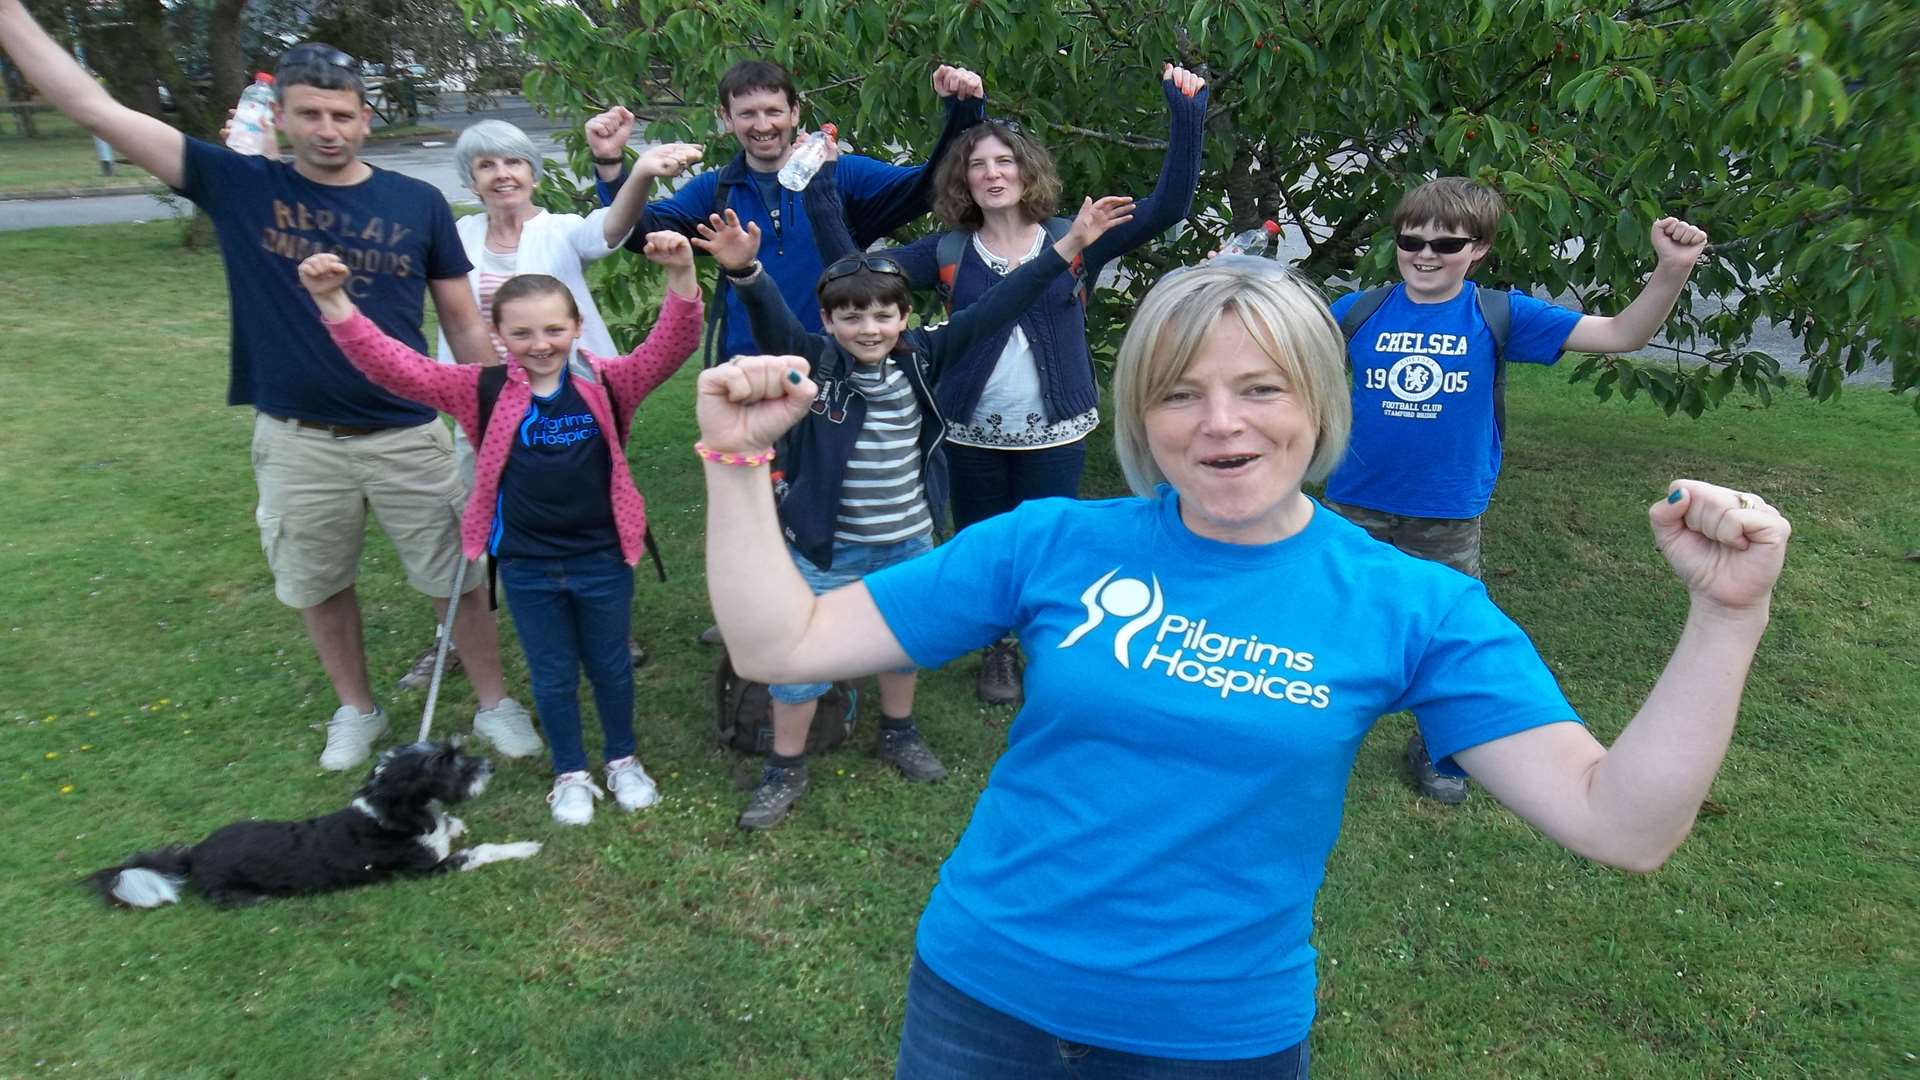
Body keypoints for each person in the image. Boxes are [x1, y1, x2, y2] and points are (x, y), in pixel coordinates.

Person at [692, 256, 1788, 1074]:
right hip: (981, 999)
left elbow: (1623, 826)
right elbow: (782, 643)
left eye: (1262, 388)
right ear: (1141, 413)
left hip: (1212, 1037)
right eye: (1180, 393)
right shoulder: (1054, 544)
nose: (1221, 424)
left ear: (1321, 399)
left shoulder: (1413, 605)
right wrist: (740, 460)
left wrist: (1727, 619)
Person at [0, 5, 536, 770]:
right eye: (309, 114)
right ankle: (356, 709)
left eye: (342, 115)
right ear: (278, 116)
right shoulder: (237, 183)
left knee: (457, 575)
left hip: (409, 430)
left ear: (365, 117)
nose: (327, 129)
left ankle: (495, 702)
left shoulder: (414, 203)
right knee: (318, 579)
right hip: (296, 438)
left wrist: (495, 415)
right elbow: (91, 104)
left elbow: (461, 319)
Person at [688, 184, 1135, 831]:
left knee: (903, 648)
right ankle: (784, 766)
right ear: (828, 321)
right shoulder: (814, 362)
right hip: (825, 546)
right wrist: (744, 271)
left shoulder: (925, 358)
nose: (867, 328)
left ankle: (898, 731)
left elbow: (1003, 302)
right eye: (850, 317)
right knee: (796, 664)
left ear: (904, 318)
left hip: (906, 542)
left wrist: (1067, 245)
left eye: (881, 316)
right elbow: (772, 323)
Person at [1325, 176, 1709, 803]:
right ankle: (1320, 727)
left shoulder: (1498, 313)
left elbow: (1619, 335)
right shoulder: (1360, 310)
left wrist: (1672, 269)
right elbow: (1278, 350)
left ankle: (1441, 746)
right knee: (1337, 616)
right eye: (1410, 240)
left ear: (1477, 248)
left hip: (1445, 511)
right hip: (1350, 501)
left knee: (1446, 637)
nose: (1425, 254)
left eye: (1446, 244)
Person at [297, 232, 703, 824]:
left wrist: (682, 275)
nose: (540, 344)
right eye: (522, 333)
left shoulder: (609, 381)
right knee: (553, 672)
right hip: (528, 563)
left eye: (553, 330)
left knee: (611, 664)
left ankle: (622, 760)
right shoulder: (479, 389)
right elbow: (396, 367)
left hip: (603, 557)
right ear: (499, 335)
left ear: (576, 327)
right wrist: (335, 302)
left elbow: (671, 345)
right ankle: (569, 772)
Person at [862, 63, 1208, 704]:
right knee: (982, 543)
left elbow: (1170, 207)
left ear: (1026, 172)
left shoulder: (1075, 241)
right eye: (977, 165)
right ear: (963, 180)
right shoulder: (946, 251)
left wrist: (1185, 113)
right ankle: (996, 649)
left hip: (1055, 429)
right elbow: (856, 274)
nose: (992, 174)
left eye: (1004, 162)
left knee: (1049, 543)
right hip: (969, 429)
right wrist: (817, 193)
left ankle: (1042, 642)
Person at [385, 120, 702, 688]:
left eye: (513, 163)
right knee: (469, 512)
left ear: (533, 171)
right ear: (471, 179)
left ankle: (607, 625)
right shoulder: (456, 235)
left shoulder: (559, 229)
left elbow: (612, 228)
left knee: (591, 506)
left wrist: (638, 172)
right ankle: (454, 634)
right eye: (486, 165)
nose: (502, 175)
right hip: (482, 400)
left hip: (572, 399)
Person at [586, 60, 986, 366]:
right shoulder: (716, 190)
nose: (762, 125)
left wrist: (964, 111)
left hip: (841, 363)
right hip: (751, 369)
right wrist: (612, 167)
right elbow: (638, 233)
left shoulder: (842, 175)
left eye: (773, 111)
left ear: (795, 113)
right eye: (747, 114)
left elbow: (929, 187)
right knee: (756, 477)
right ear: (727, 119)